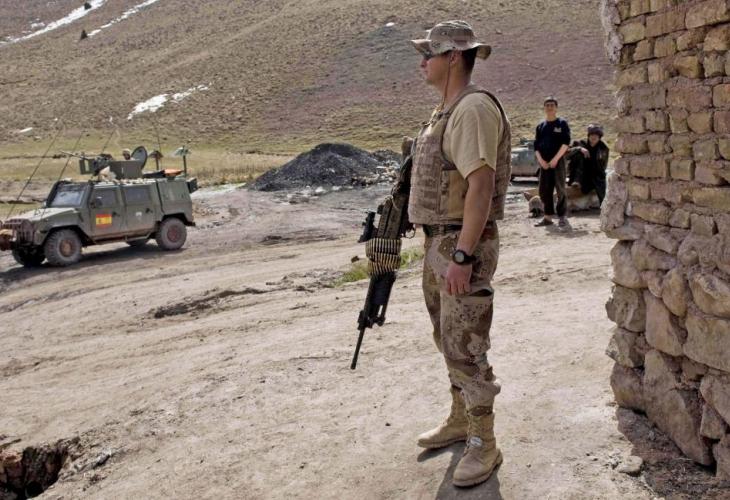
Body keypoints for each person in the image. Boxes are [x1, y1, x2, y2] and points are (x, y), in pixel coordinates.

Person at [408, 20, 511, 487]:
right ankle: (459, 419)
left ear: (453, 57)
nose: (422, 61)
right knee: (447, 339)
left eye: (429, 53)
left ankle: (483, 443)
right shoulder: (445, 110)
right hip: (441, 242)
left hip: (460, 243)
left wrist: (464, 256)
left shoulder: (472, 108)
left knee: (467, 345)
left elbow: (480, 185)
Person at [534, 97, 570, 227]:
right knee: (544, 190)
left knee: (560, 189)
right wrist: (541, 161)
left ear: (556, 108)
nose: (549, 107)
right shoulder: (540, 126)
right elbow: (536, 147)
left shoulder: (562, 123)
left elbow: (566, 143)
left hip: (558, 162)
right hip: (544, 163)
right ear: (544, 108)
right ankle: (547, 217)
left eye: (552, 105)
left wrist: (555, 159)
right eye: (547, 105)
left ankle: (562, 216)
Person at [566, 124, 609, 205]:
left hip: (595, 175)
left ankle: (604, 207)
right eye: (592, 135)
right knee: (579, 154)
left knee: (602, 193)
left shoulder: (603, 148)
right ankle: (577, 181)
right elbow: (566, 154)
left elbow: (604, 165)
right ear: (588, 135)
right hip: (579, 174)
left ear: (599, 137)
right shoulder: (580, 143)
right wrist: (579, 149)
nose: (593, 137)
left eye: (596, 135)